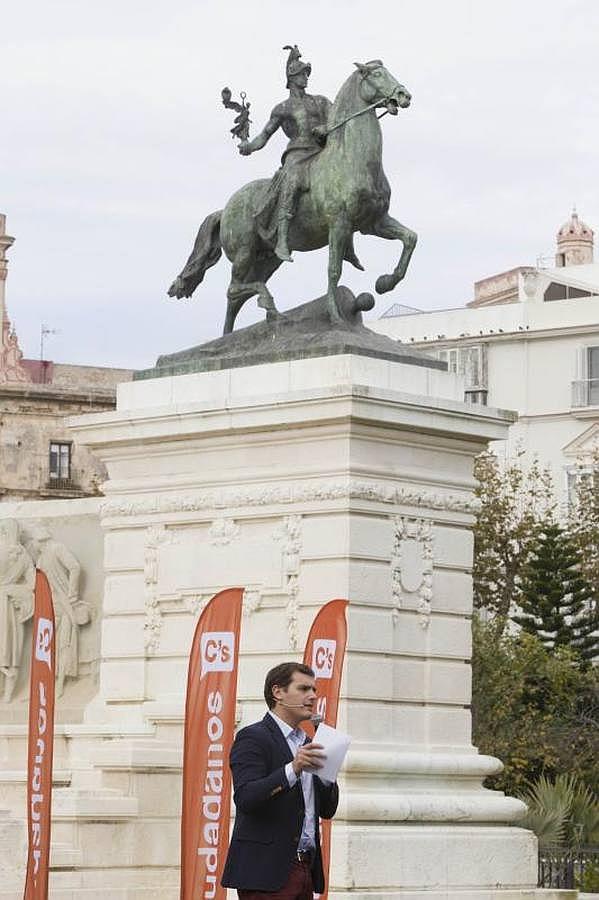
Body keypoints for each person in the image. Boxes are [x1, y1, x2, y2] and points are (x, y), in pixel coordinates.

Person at [221, 662, 339, 900]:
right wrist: (293, 769)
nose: (313, 696)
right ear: (278, 693)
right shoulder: (253, 737)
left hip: (305, 866)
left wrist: (327, 775)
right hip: (265, 873)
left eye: (314, 690)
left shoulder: (308, 742)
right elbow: (246, 797)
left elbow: (327, 811)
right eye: (304, 689)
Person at [238, 45, 332, 263]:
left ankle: (347, 243)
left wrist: (327, 128)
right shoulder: (283, 108)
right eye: (302, 74)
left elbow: (337, 118)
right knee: (292, 181)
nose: (306, 78)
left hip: (321, 151)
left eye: (307, 74)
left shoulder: (320, 100)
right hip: (297, 154)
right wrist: (249, 146)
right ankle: (282, 239)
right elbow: (265, 135)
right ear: (292, 77)